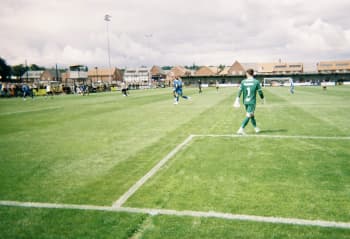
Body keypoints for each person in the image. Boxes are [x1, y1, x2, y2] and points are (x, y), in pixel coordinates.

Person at [234, 68, 264, 135]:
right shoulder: (256, 82)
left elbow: (240, 91)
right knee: (249, 115)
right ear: (253, 74)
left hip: (245, 101)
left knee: (251, 114)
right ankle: (241, 129)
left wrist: (237, 99)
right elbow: (260, 92)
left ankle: (256, 128)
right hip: (252, 101)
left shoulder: (243, 82)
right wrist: (262, 99)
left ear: (247, 74)